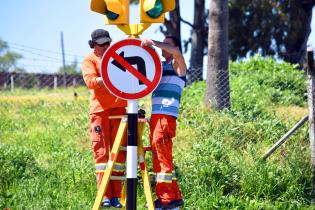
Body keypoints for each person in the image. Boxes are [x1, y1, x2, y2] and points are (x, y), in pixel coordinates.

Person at [81, 29, 127, 208]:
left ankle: (116, 195)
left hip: (119, 108)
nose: (106, 46)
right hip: (100, 111)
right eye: (102, 44)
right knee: (101, 154)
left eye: (108, 43)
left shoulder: (118, 56)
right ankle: (105, 195)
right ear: (93, 45)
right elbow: (91, 81)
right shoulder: (89, 59)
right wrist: (108, 77)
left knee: (120, 155)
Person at [141, 36, 187, 209]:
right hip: (156, 117)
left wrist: (154, 42)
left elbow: (176, 52)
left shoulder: (178, 65)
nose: (164, 47)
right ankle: (173, 197)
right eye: (163, 43)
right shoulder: (160, 67)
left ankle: (167, 199)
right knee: (159, 157)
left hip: (166, 116)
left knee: (162, 157)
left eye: (168, 44)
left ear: (175, 47)